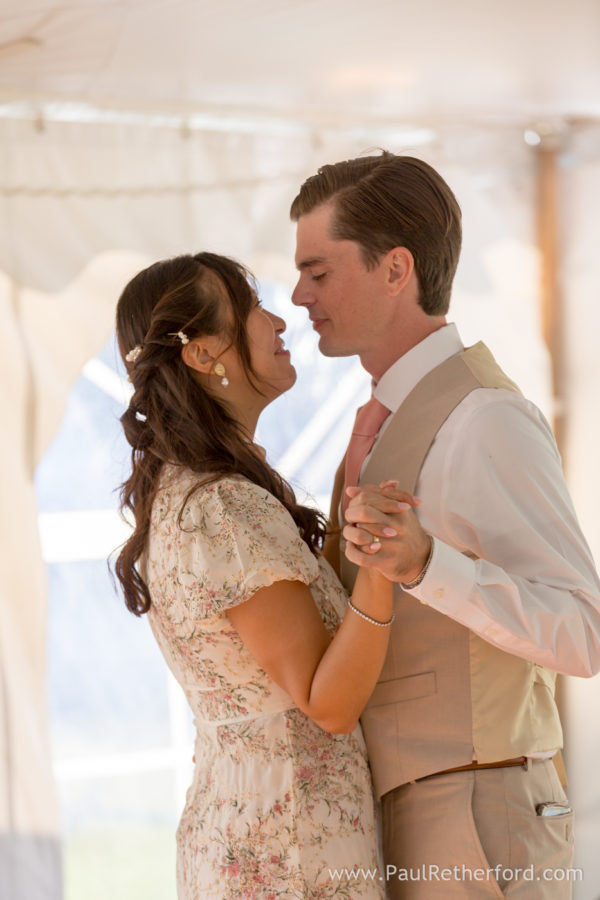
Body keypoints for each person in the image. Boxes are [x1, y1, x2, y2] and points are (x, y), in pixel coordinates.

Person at [289, 151, 600, 899]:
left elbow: (583, 633)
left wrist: (428, 565)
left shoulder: (485, 417)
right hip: (409, 808)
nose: (298, 294)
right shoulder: (379, 419)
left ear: (396, 269)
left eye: (319, 271)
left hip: (475, 811)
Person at [113, 251, 412, 898]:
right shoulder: (223, 507)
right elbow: (328, 703)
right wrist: (383, 564)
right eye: (249, 310)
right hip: (290, 851)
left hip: (249, 831)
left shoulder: (185, 494)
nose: (279, 319)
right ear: (202, 355)